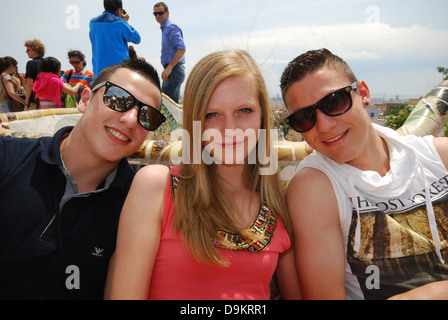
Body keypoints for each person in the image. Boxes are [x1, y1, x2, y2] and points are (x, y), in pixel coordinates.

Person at [105, 50, 301, 300]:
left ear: (263, 116)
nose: (229, 129)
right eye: (212, 114)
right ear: (194, 121)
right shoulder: (156, 187)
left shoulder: (277, 206)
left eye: (244, 111)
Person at [280, 48, 448, 300]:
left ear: (364, 94)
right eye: (305, 118)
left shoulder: (439, 157)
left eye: (334, 102)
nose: (324, 126)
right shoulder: (315, 186)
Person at [0, 58, 165, 299]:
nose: (130, 120)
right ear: (85, 100)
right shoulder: (8, 158)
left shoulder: (136, 205)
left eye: (146, 115)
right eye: (118, 100)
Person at [89, 0, 141, 78]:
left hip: (99, 72)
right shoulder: (120, 23)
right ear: (119, 10)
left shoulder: (93, 23)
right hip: (118, 72)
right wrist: (126, 21)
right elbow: (137, 39)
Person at [153, 2, 186, 103]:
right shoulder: (165, 29)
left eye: (160, 13)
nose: (158, 16)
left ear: (167, 13)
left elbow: (182, 48)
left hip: (173, 70)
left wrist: (169, 67)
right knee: (169, 107)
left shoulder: (171, 28)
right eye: (155, 14)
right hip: (172, 71)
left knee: (167, 107)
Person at [24, 39, 45, 110]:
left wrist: (26, 100)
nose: (26, 52)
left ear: (35, 50)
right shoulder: (48, 63)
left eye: (28, 49)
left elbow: (30, 83)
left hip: (34, 101)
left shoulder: (31, 63)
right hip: (47, 100)